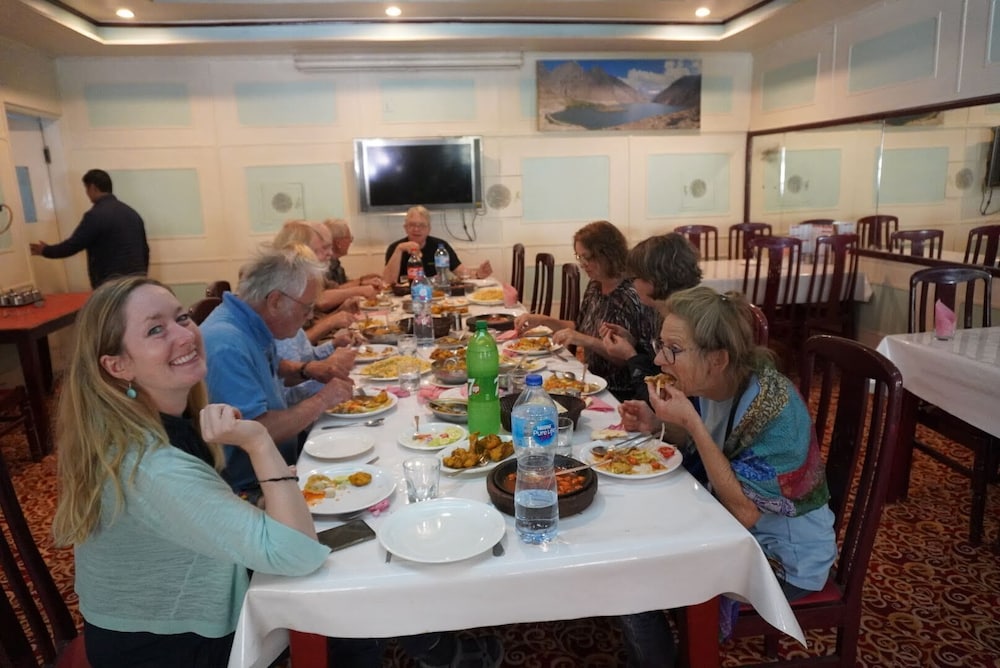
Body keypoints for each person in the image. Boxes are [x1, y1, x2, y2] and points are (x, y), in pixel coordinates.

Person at [51, 276, 330, 667]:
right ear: (117, 365)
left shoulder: (156, 421)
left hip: (168, 615)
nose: (185, 335)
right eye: (155, 330)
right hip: (168, 648)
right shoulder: (151, 466)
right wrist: (258, 442)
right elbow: (301, 555)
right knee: (332, 614)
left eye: (181, 318)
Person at [616, 286, 837, 666]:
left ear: (717, 358)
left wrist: (691, 424)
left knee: (632, 579)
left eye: (673, 349)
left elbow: (745, 512)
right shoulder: (714, 383)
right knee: (631, 535)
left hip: (782, 559)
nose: (658, 359)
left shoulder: (773, 408)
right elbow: (716, 447)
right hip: (734, 531)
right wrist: (658, 424)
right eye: (660, 344)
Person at [199, 248, 355, 497]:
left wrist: (307, 370)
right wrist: (323, 399)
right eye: (307, 308)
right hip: (254, 488)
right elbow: (258, 431)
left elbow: (269, 366)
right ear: (275, 302)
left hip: (284, 463)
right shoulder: (226, 343)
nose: (310, 316)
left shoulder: (249, 321)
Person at [513, 220, 656, 401]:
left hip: (619, 391)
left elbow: (629, 359)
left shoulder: (631, 294)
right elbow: (579, 326)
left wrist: (586, 340)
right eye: (579, 257)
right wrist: (542, 320)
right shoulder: (596, 284)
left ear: (608, 254)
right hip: (591, 379)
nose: (583, 264)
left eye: (587, 257)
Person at [600, 233, 702, 402]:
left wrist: (630, 356)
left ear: (654, 280)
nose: (632, 285)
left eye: (635, 278)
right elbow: (656, 367)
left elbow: (658, 398)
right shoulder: (659, 311)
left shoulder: (686, 323)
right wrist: (633, 343)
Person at [29, 168, 149, 288]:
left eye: (86, 189)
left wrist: (45, 250)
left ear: (92, 187)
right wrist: (141, 275)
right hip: (137, 281)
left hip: (111, 284)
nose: (87, 193)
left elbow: (73, 246)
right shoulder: (132, 213)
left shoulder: (95, 215)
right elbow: (145, 250)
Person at [381, 205, 492, 285]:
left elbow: (461, 272)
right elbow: (387, 282)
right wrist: (399, 250)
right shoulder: (395, 248)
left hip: (437, 296)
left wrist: (478, 275)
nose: (416, 229)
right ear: (405, 228)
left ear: (429, 229)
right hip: (404, 298)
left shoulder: (440, 247)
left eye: (422, 225)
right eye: (412, 225)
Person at [323, 218, 384, 289]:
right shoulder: (324, 267)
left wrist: (363, 279)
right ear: (338, 243)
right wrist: (361, 282)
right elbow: (332, 292)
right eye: (349, 238)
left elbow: (343, 285)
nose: (350, 241)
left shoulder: (335, 263)